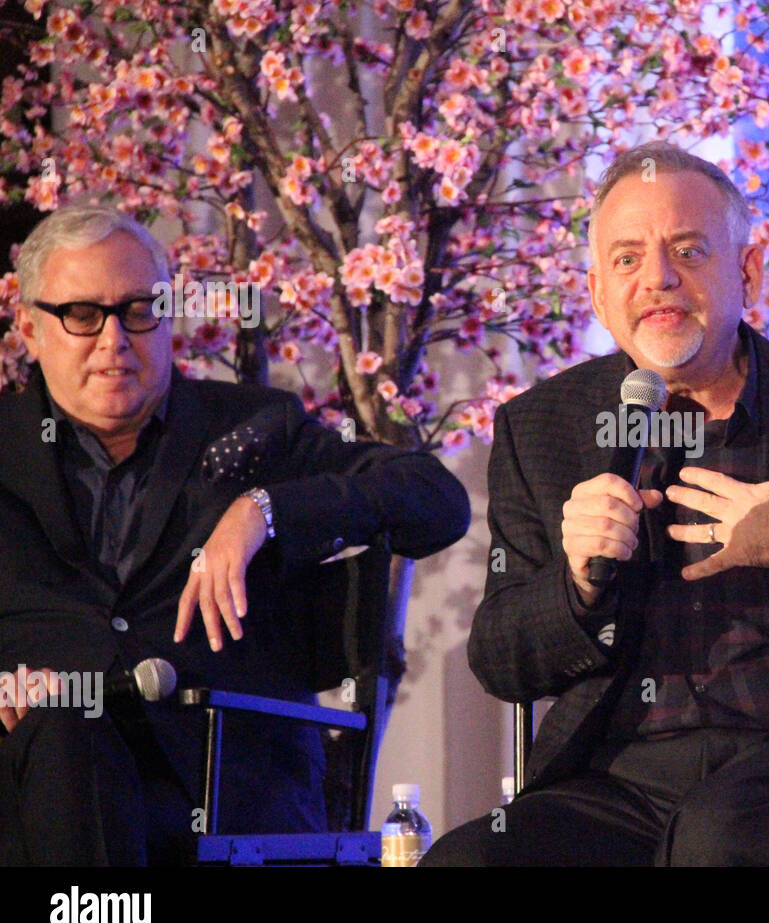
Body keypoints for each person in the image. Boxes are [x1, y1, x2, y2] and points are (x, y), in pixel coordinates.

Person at [422, 141, 769, 866]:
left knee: (720, 838)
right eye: (627, 259)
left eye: (689, 251)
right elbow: (501, 660)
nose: (657, 278)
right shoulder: (544, 425)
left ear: (746, 270)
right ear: (599, 293)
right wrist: (576, 587)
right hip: (619, 779)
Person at [0, 206, 471, 865]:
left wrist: (265, 510)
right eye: (82, 315)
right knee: (65, 728)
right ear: (30, 327)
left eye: (139, 310)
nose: (114, 340)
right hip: (40, 797)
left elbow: (437, 500)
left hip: (226, 796)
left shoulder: (252, 432)